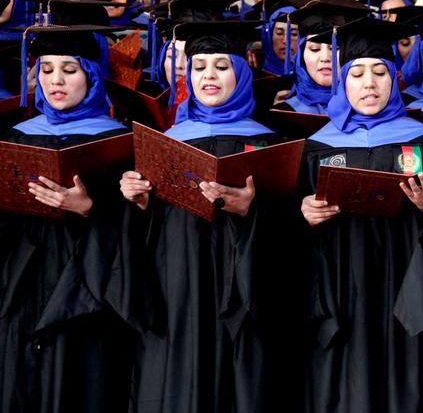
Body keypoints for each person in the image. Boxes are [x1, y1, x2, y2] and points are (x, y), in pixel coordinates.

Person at [119, 21, 299, 413]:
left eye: (221, 65)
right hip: (177, 286)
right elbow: (144, 234)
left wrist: (252, 209)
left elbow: (296, 234)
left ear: (241, 71)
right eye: (199, 66)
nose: (209, 76)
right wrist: (138, 201)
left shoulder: (270, 142)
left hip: (244, 288)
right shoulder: (165, 141)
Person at [298, 17, 423, 413]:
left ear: (395, 78)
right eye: (357, 73)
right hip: (340, 284)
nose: (369, 84)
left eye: (380, 72)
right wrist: (303, 213)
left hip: (407, 282)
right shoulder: (317, 147)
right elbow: (285, 231)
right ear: (341, 82)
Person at [0, 25, 133, 413]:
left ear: (91, 75)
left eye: (70, 70)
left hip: (85, 286)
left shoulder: (118, 140)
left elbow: (142, 229)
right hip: (21, 279)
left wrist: (89, 208)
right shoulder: (18, 135)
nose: (55, 80)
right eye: (46, 69)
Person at [271, 0, 369, 114]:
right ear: (301, 56)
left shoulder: (371, 108)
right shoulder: (286, 113)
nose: (325, 58)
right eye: (315, 49)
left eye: (334, 49)